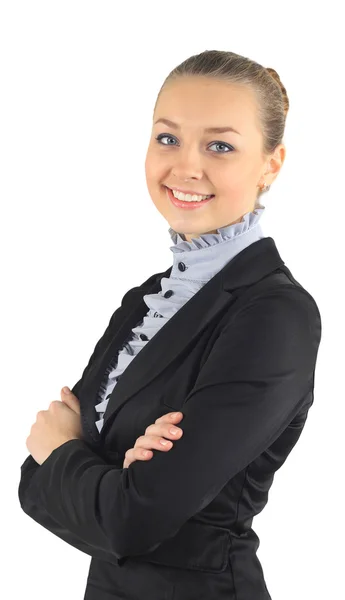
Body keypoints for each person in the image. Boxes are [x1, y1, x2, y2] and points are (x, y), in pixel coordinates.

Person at [19, 50, 321, 600]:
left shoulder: (274, 315)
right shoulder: (144, 301)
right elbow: (32, 485)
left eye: (220, 146)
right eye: (167, 138)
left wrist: (69, 453)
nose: (185, 166)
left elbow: (130, 520)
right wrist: (107, 472)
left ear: (271, 164)